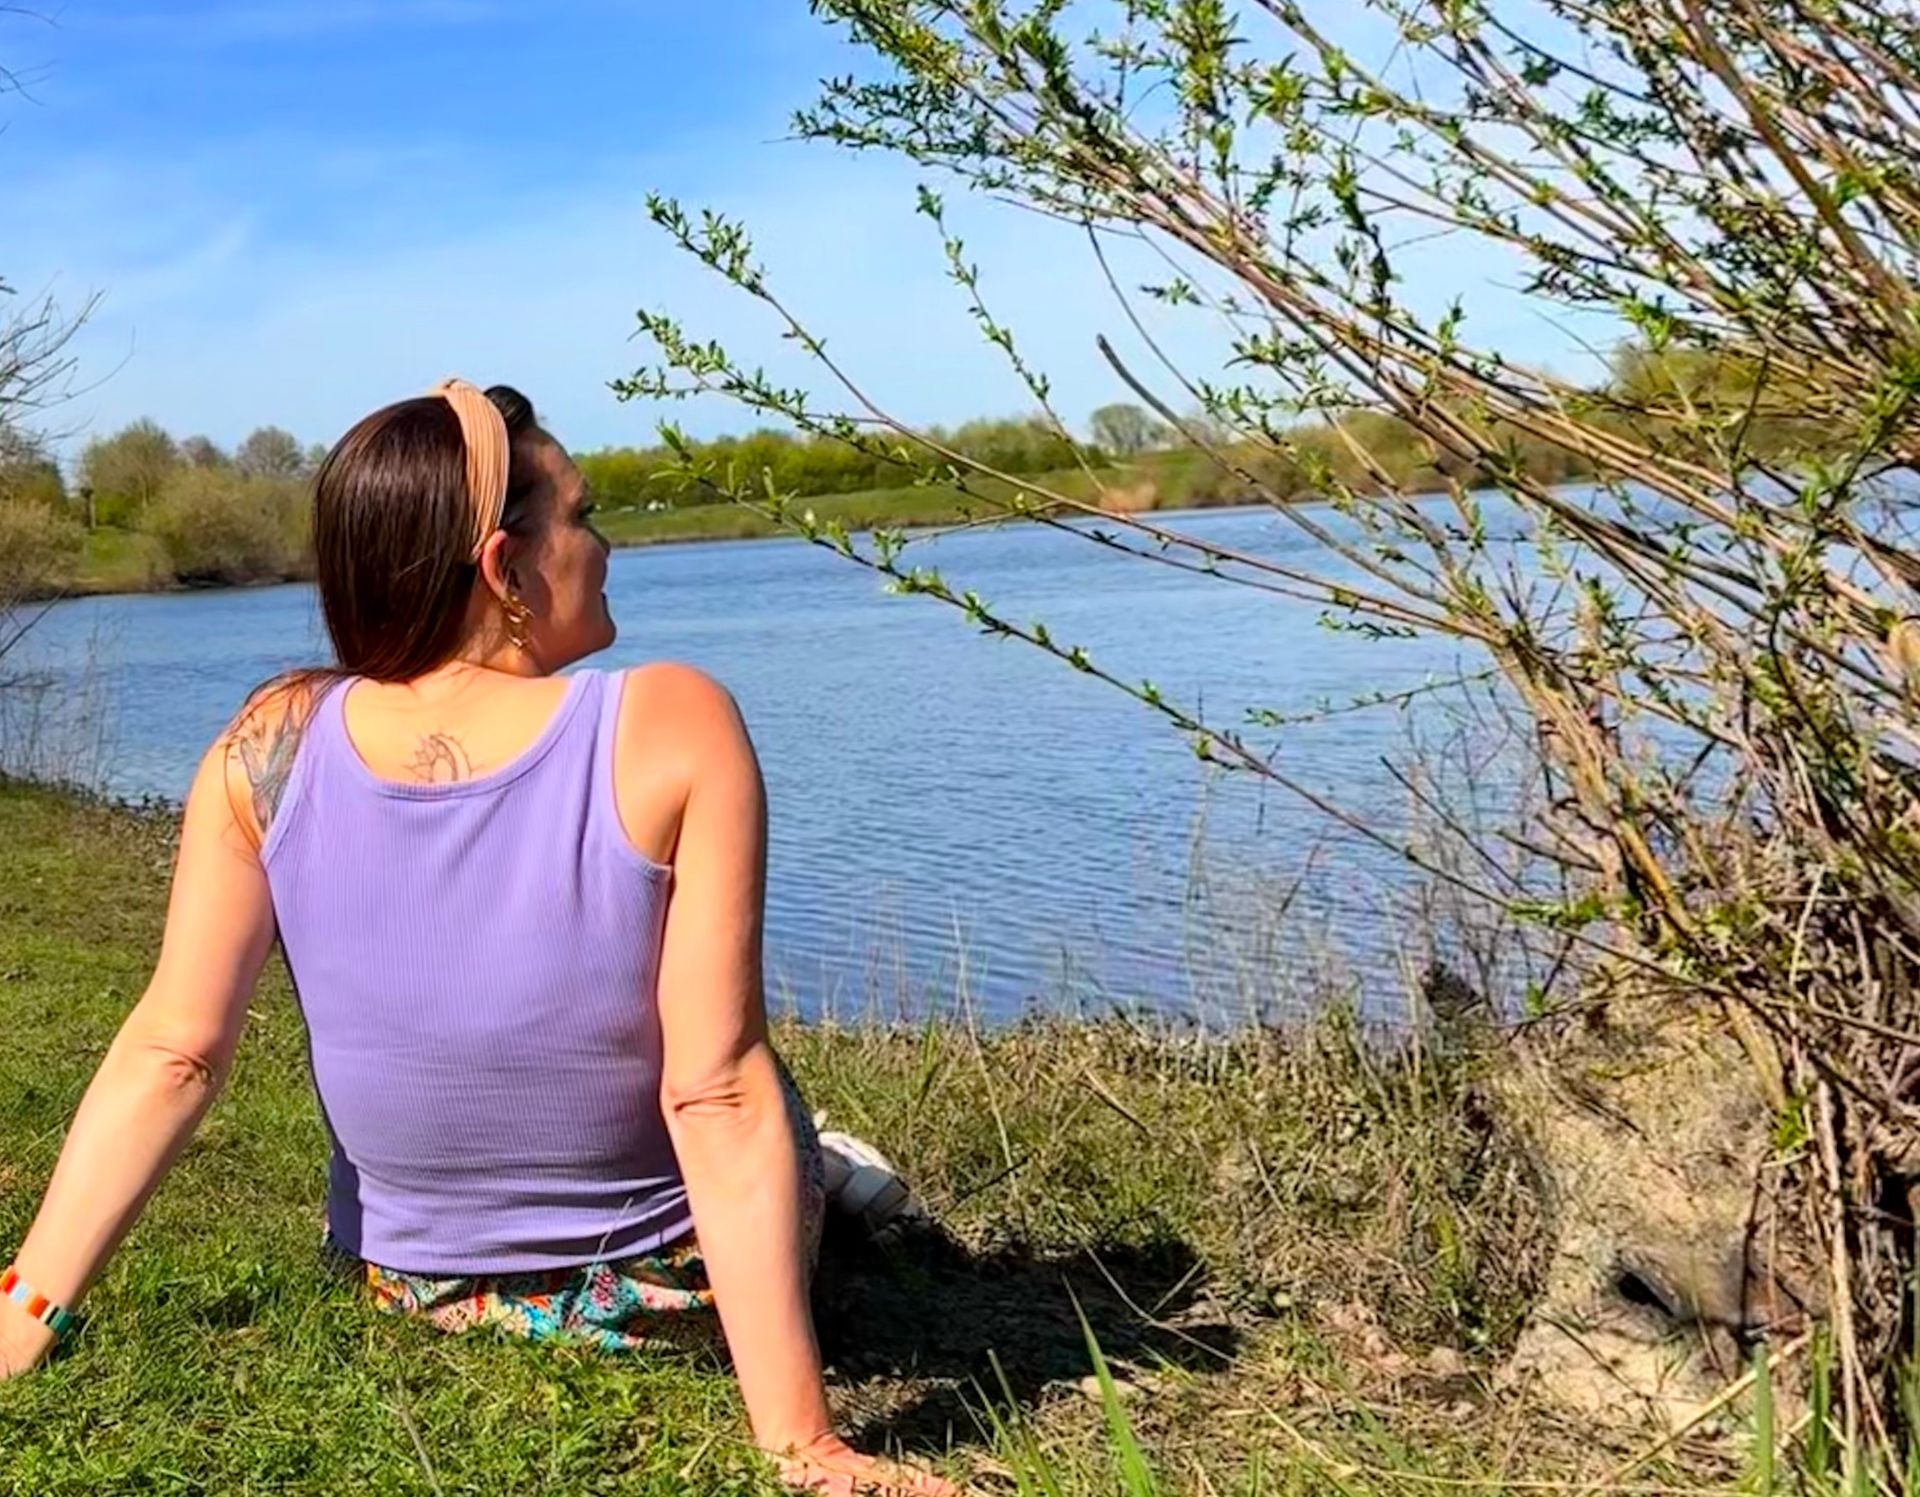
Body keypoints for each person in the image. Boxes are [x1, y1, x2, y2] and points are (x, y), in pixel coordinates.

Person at [0, 379, 957, 1497]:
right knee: (761, 1083)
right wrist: (803, 1444)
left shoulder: (268, 743)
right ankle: (827, 1166)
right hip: (655, 1299)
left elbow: (176, 1050)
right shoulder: (670, 718)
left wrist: (25, 1308)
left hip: (412, 1289)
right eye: (583, 516)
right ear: (504, 566)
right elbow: (713, 1092)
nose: (604, 546)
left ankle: (823, 1165)